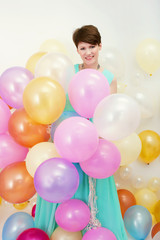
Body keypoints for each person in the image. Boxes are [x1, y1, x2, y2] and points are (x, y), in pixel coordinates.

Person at [35, 25, 128, 240]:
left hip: (94, 142)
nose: (88, 52)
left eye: (92, 46)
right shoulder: (69, 72)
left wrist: (100, 136)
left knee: (93, 185)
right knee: (65, 183)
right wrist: (53, 124)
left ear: (100, 46)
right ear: (77, 50)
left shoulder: (108, 77)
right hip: (68, 138)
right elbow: (58, 103)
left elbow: (110, 113)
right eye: (82, 48)